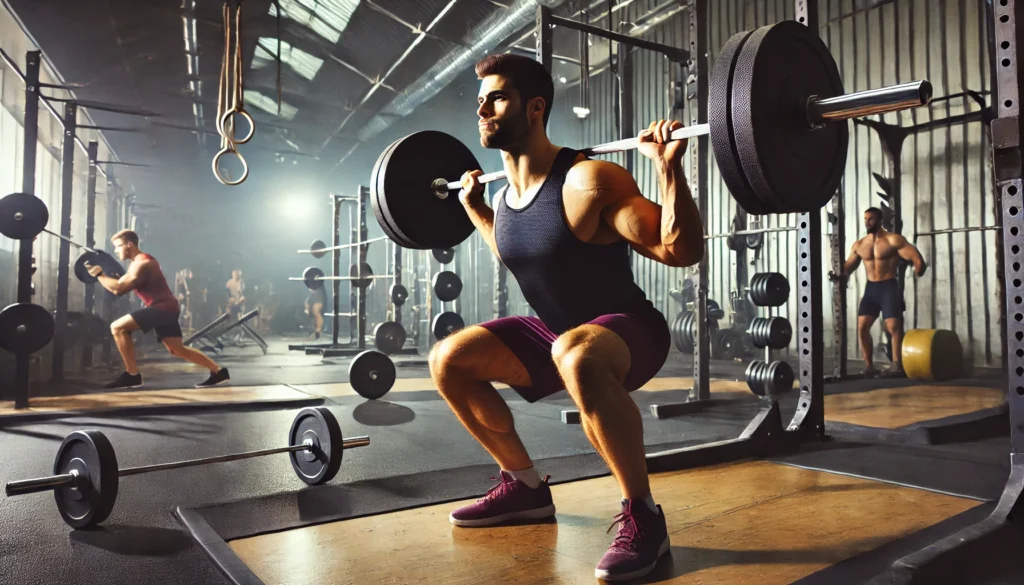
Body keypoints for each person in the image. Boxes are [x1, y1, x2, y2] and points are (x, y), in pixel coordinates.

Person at [430, 54, 703, 581]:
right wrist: (478, 212)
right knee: (449, 360)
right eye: (481, 98)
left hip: (629, 331)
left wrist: (669, 169)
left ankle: (644, 518)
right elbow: (520, 248)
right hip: (560, 336)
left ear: (535, 108)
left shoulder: (587, 182)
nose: (483, 107)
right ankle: (525, 488)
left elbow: (678, 250)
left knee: (573, 352)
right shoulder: (506, 197)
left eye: (498, 97)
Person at [88, 230, 231, 389]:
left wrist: (99, 275)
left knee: (117, 327)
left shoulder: (143, 263)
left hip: (162, 308)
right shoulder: (138, 263)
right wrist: (103, 275)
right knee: (176, 349)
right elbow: (118, 283)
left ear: (130, 244)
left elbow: (118, 289)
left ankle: (132, 375)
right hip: (167, 307)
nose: (115, 250)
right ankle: (218, 372)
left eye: (118, 246)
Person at [833, 207, 927, 377]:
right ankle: (869, 366)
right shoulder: (860, 244)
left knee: (893, 326)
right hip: (872, 288)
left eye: (871, 219)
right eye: (865, 219)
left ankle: (897, 365)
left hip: (888, 286)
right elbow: (849, 266)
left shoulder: (893, 240)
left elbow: (915, 256)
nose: (867, 222)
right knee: (862, 327)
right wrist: (838, 274)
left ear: (880, 220)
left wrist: (919, 269)